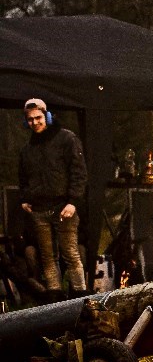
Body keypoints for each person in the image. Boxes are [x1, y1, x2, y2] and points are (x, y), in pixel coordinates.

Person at [18, 98, 88, 299]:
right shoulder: (27, 149)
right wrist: (24, 199)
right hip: (39, 211)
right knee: (48, 258)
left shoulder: (67, 139)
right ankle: (55, 302)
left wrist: (73, 202)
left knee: (71, 255)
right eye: (30, 120)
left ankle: (81, 301)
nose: (35, 122)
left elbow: (79, 173)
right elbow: (22, 178)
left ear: (47, 116)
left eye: (38, 117)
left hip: (63, 208)